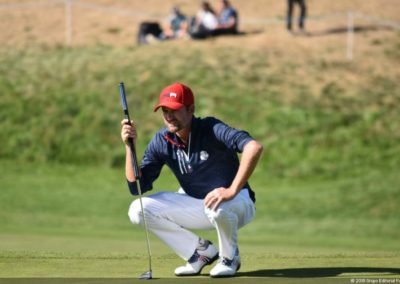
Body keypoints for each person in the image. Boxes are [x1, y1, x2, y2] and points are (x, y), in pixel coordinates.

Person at [121, 82, 263, 277]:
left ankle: (230, 258)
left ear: (191, 110)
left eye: (175, 110)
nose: (169, 116)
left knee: (218, 206)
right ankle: (198, 252)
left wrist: (231, 190)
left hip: (237, 204)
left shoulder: (211, 128)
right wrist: (130, 146)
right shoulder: (162, 141)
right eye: (165, 110)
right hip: (200, 205)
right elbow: (137, 186)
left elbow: (253, 147)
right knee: (138, 209)